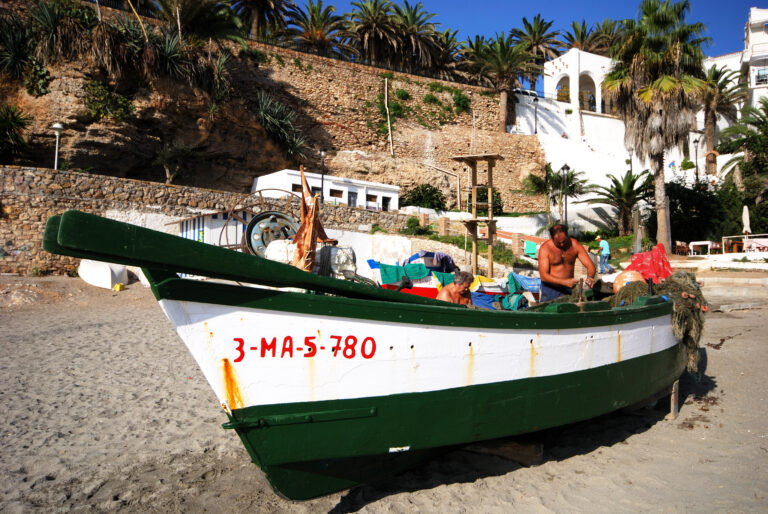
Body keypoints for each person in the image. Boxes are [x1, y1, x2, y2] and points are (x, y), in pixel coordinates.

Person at [538, 224, 596, 303]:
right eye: (558, 242)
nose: (562, 244)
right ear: (551, 237)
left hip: (569, 289)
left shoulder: (575, 244)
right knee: (550, 312)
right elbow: (544, 276)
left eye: (564, 241)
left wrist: (590, 277)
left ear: (567, 235)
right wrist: (564, 282)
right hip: (551, 290)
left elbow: (590, 266)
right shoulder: (545, 249)